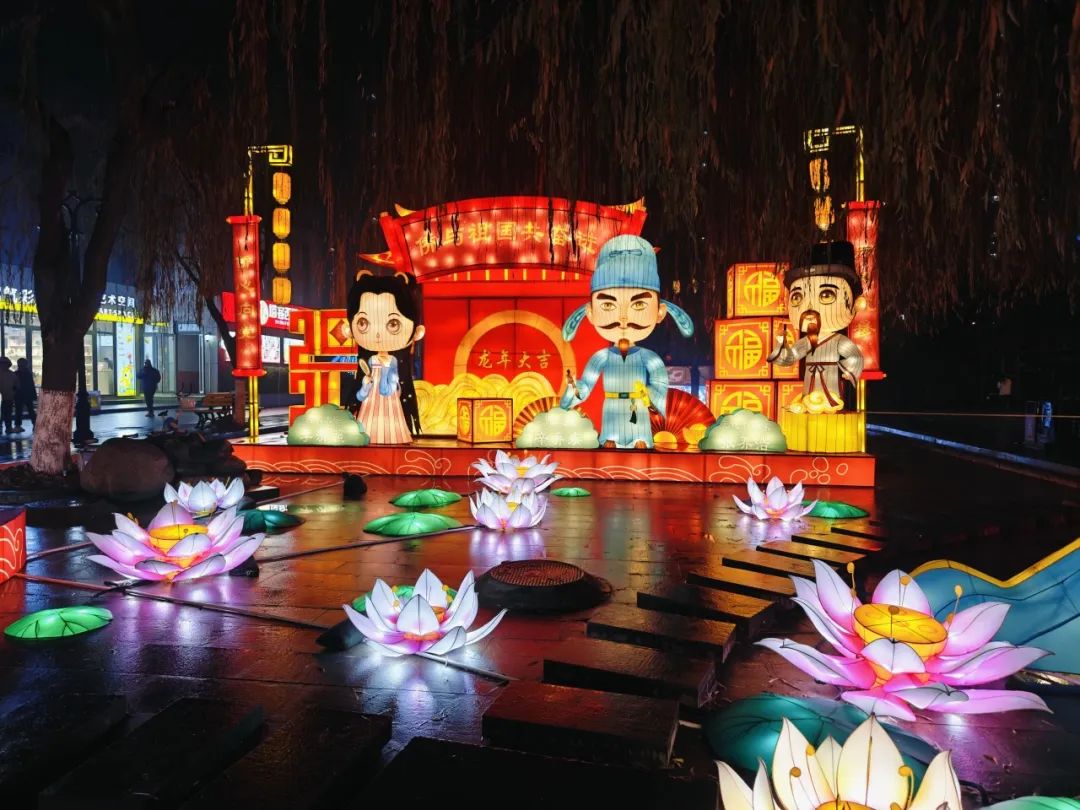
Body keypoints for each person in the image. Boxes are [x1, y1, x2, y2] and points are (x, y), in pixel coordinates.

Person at [559, 234, 695, 449]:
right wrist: (573, 388)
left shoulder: (649, 358)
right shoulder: (601, 357)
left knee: (640, 443)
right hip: (611, 408)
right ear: (591, 313)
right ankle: (610, 438)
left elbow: (660, 385)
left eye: (639, 305)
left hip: (637, 408)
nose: (623, 318)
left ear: (659, 312)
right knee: (610, 442)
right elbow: (586, 386)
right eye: (608, 305)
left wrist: (647, 395)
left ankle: (639, 438)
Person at [767, 240, 864, 414]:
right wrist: (781, 342)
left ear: (854, 305)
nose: (810, 308)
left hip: (830, 380)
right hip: (809, 382)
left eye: (826, 295)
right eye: (797, 297)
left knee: (830, 403)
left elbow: (855, 356)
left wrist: (846, 369)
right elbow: (789, 358)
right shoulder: (807, 341)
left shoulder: (838, 340)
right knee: (808, 402)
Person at [346, 269, 426, 444]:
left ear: (416, 331)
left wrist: (385, 374)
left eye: (393, 324)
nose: (377, 334)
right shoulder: (370, 361)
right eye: (363, 323)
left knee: (390, 428)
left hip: (390, 405)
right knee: (366, 426)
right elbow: (360, 395)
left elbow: (388, 389)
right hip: (369, 406)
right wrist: (365, 386)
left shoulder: (393, 362)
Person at [13, 358, 36, 431]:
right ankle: (35, 424)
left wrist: (13, 393)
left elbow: (13, 385)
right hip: (28, 394)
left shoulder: (15, 373)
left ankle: (18, 426)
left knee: (18, 410)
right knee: (31, 410)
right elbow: (31, 385)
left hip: (18, 395)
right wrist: (34, 395)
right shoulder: (28, 373)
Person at [0, 358, 18, 434]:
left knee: (7, 414)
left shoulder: (12, 375)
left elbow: (16, 386)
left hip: (8, 398)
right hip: (7, 397)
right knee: (7, 414)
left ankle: (8, 427)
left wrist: (13, 393)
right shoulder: (12, 374)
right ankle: (7, 428)